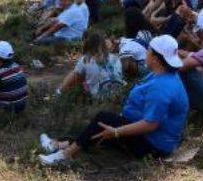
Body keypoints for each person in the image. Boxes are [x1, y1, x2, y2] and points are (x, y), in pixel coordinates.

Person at [39, 35, 189, 165]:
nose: (145, 54)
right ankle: (58, 145)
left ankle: (64, 155)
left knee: (103, 119)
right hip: (151, 136)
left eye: (148, 51)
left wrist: (118, 131)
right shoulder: (162, 75)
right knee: (100, 127)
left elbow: (150, 125)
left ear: (156, 59)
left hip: (153, 145)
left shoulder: (162, 87)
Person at [58, 33, 124, 98]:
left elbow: (73, 79)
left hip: (99, 99)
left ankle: (58, 93)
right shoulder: (116, 58)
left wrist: (61, 91)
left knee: (77, 75)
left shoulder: (86, 59)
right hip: (118, 97)